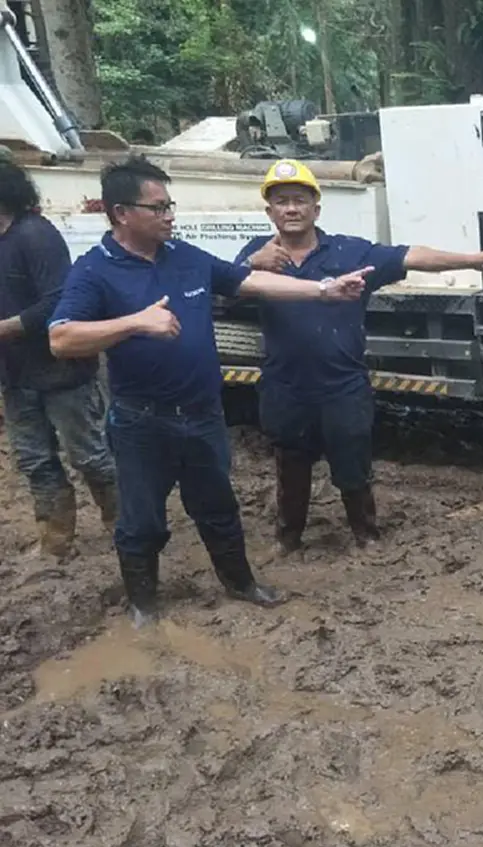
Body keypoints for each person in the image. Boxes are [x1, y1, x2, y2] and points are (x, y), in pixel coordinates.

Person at [48, 155, 373, 626]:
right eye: (158, 208)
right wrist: (135, 322)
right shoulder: (95, 270)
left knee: (218, 508)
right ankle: (143, 605)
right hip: (142, 422)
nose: (169, 216)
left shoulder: (185, 256)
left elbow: (249, 280)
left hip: (202, 415)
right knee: (142, 520)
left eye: (169, 205)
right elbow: (61, 338)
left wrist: (324, 290)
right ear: (122, 213)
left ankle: (241, 584)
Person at [232, 159, 483, 552]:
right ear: (269, 212)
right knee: (290, 466)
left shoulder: (349, 251)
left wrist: (472, 260)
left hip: (343, 386)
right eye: (281, 201)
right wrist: (251, 264)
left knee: (353, 466)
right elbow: (222, 286)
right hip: (284, 386)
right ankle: (288, 539)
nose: (291, 208)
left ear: (316, 209)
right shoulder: (256, 255)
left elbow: (410, 256)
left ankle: (366, 535)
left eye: (299, 200)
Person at [0, 159, 118, 559]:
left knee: (90, 456)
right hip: (15, 375)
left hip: (62, 370)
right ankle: (55, 542)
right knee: (34, 460)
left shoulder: (35, 235)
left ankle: (126, 528)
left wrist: (6, 328)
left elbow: (57, 301)